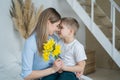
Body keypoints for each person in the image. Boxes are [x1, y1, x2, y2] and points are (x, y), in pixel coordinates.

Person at [21, 8, 63, 80]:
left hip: (55, 74)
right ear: (48, 22)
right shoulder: (31, 42)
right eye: (57, 25)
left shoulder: (54, 38)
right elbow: (26, 75)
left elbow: (59, 57)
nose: (57, 29)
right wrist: (52, 70)